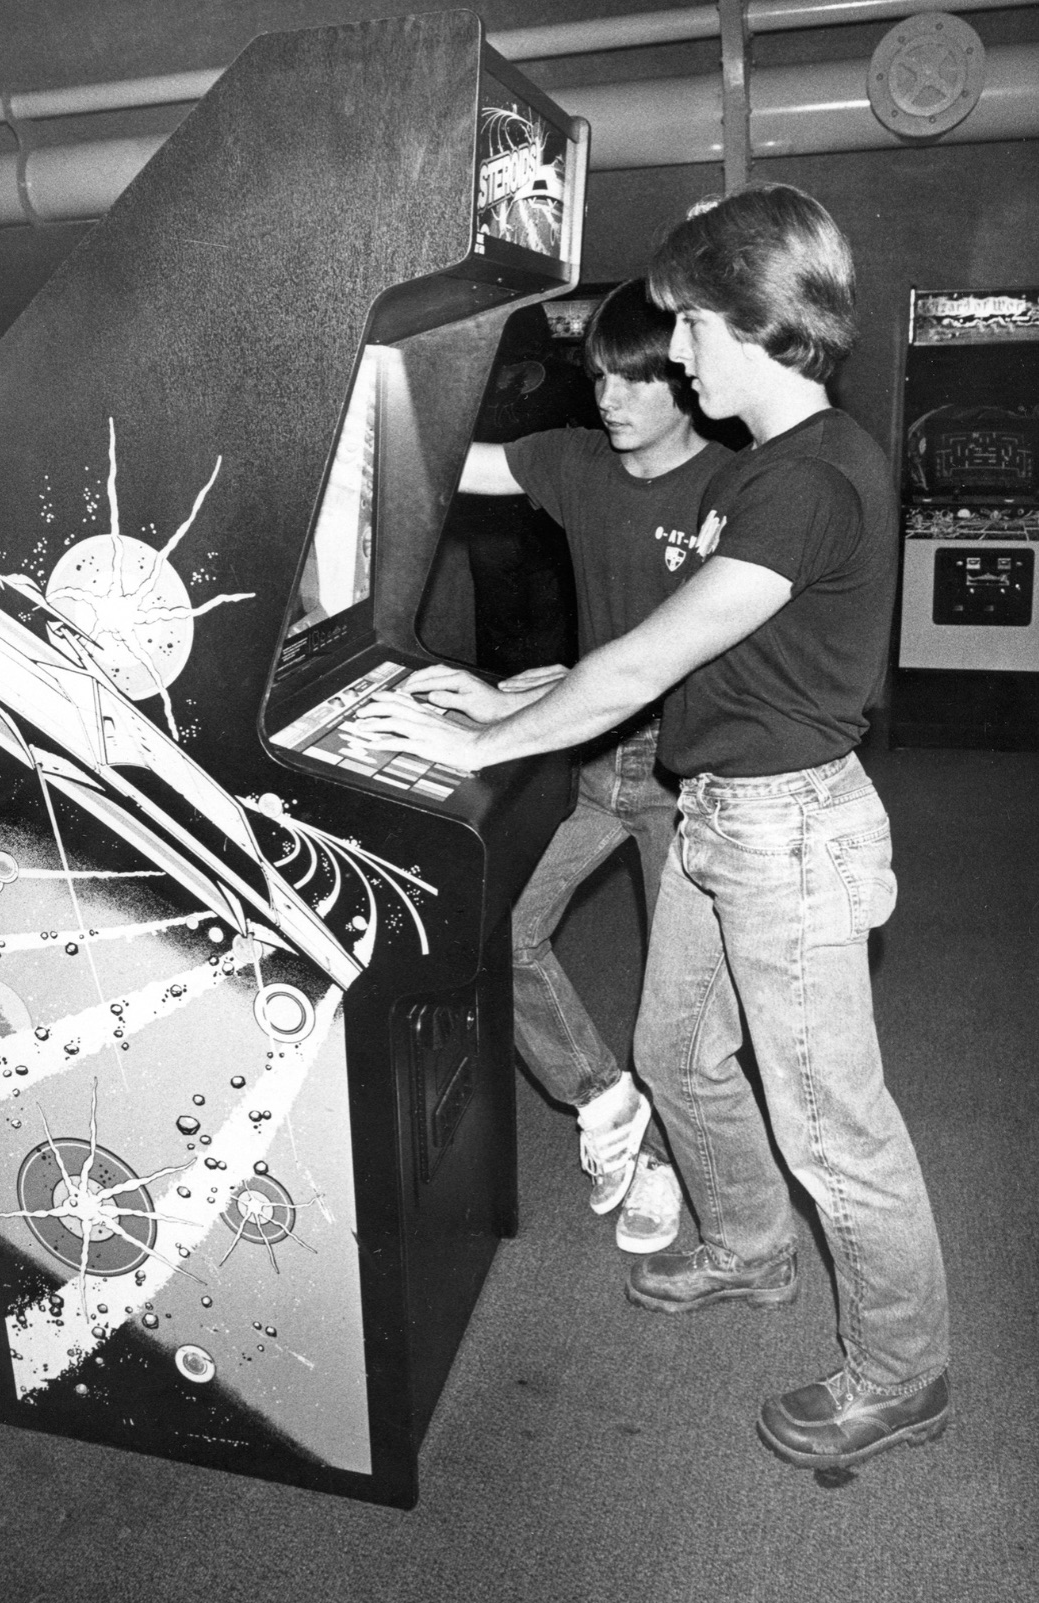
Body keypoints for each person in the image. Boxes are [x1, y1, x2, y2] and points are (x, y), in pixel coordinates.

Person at [346, 185, 950, 1472]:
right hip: (728, 819)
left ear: (752, 320)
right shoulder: (785, 465)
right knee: (676, 1055)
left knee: (837, 1128)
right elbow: (673, 665)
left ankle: (904, 1375)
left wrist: (482, 739)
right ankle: (749, 1246)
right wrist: (511, 691)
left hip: (787, 835)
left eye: (687, 329)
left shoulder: (805, 479)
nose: (670, 356)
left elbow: (644, 666)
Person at [456, 280, 733, 1254]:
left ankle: (723, 1216)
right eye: (599, 379)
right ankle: (609, 1110)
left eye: (634, 381)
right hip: (592, 759)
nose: (609, 400)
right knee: (497, 931)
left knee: (687, 1017)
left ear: (688, 379)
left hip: (691, 773)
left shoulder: (736, 489)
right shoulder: (578, 463)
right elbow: (447, 464)